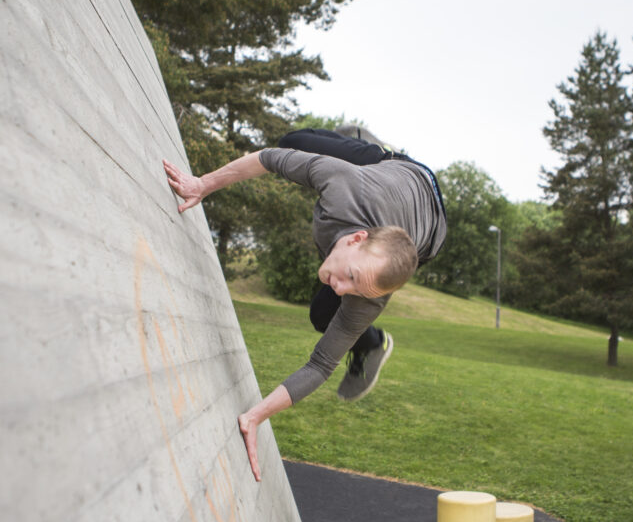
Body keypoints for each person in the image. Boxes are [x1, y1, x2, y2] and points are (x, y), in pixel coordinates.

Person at [163, 127, 447, 481]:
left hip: (429, 234)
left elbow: (321, 365)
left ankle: (373, 343)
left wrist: (255, 416)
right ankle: (363, 139)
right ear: (356, 239)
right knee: (291, 142)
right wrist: (202, 185)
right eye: (352, 277)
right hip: (396, 171)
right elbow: (269, 159)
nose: (342, 289)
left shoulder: (371, 295)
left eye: (356, 288)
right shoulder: (342, 185)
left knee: (322, 314)